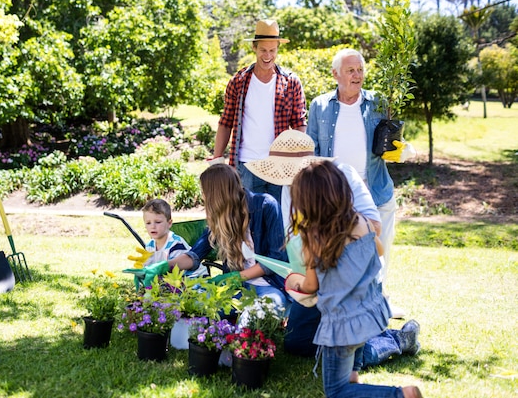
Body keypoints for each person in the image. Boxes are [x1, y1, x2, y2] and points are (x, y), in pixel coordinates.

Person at [245, 130, 421, 374]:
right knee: (296, 344)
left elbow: (375, 229)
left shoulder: (342, 176)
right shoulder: (287, 190)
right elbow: (298, 243)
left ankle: (396, 340)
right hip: (316, 284)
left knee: (341, 354)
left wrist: (329, 232)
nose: (287, 178)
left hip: (351, 285)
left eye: (289, 170)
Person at [288, 160, 423, 398]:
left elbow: (311, 286)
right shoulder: (360, 221)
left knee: (336, 391)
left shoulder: (314, 238)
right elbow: (378, 250)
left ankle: (402, 395)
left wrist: (295, 283)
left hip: (342, 325)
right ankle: (355, 384)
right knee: (350, 372)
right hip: (368, 312)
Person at [307, 48, 413, 318]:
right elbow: (313, 151)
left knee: (380, 250)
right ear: (335, 74)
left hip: (374, 187)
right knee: (337, 249)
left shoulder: (377, 101)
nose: (357, 75)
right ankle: (337, 303)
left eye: (360, 70)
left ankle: (379, 302)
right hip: (336, 193)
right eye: (350, 70)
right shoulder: (320, 105)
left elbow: (392, 140)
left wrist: (402, 150)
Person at [209, 19, 307, 204]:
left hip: (278, 165)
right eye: (263, 50)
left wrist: (299, 160)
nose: (268, 55)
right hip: (247, 165)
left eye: (272, 50)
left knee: (277, 221)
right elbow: (226, 122)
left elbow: (300, 123)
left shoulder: (291, 82)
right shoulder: (238, 81)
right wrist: (216, 158)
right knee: (250, 222)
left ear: (278, 49)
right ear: (254, 48)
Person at [167, 163, 289, 310]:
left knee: (261, 312)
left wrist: (238, 277)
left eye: (204, 191)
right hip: (237, 291)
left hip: (269, 287)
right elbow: (194, 255)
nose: (203, 197)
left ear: (216, 194)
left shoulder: (265, 205)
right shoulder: (220, 218)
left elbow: (275, 259)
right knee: (192, 306)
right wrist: (163, 266)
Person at [137, 198, 207, 278]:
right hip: (172, 281)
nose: (153, 226)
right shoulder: (150, 245)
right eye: (148, 223)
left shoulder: (176, 243)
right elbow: (149, 267)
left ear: (169, 223)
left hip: (194, 278)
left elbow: (176, 269)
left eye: (158, 222)